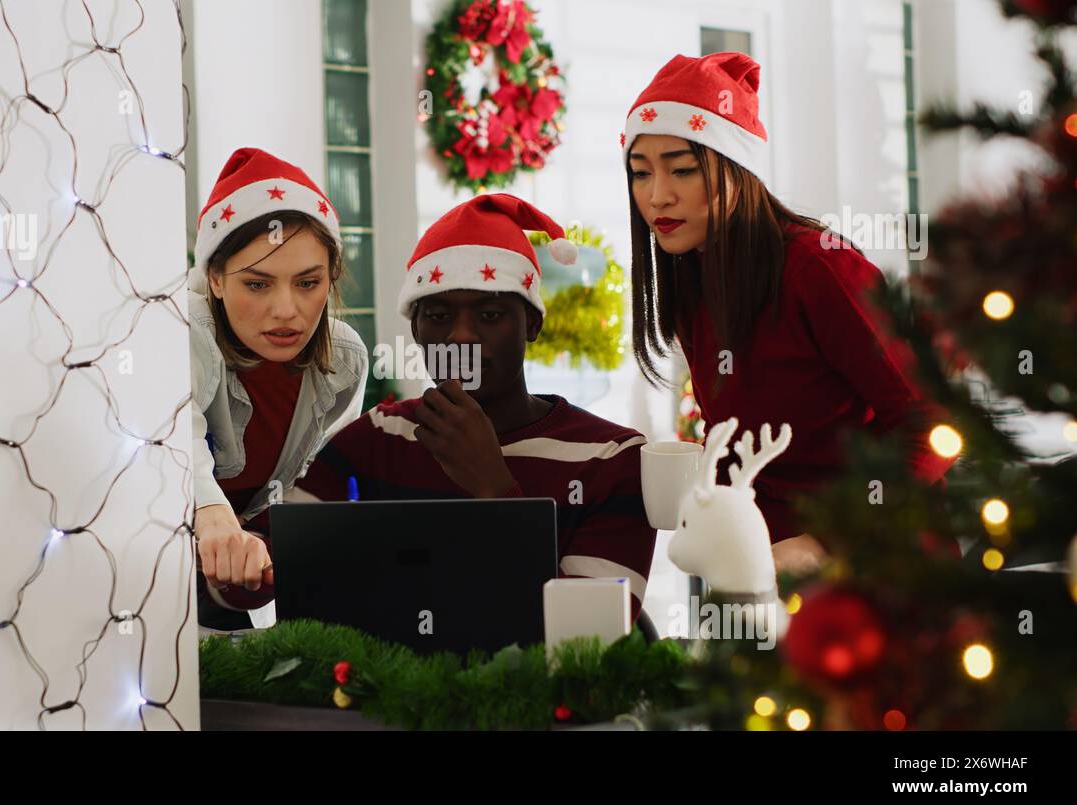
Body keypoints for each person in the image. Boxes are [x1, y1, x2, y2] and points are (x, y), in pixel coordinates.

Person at [212, 194, 658, 621]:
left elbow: (593, 631)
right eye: (440, 316)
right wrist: (236, 557)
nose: (461, 337)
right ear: (417, 329)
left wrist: (494, 490)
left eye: (490, 315)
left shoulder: (610, 457)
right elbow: (261, 563)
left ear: (533, 323)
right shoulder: (379, 436)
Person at [621, 52, 955, 570]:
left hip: (882, 567)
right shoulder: (691, 276)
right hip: (765, 576)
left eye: (683, 170)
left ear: (737, 167)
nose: (657, 196)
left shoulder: (820, 268)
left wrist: (824, 543)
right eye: (640, 174)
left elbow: (933, 423)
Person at [188, 147, 368, 629]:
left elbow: (301, 497)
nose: (287, 310)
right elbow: (171, 445)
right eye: (258, 285)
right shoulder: (181, 328)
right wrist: (214, 519)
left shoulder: (344, 363)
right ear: (215, 279)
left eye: (308, 283)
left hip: (230, 590)